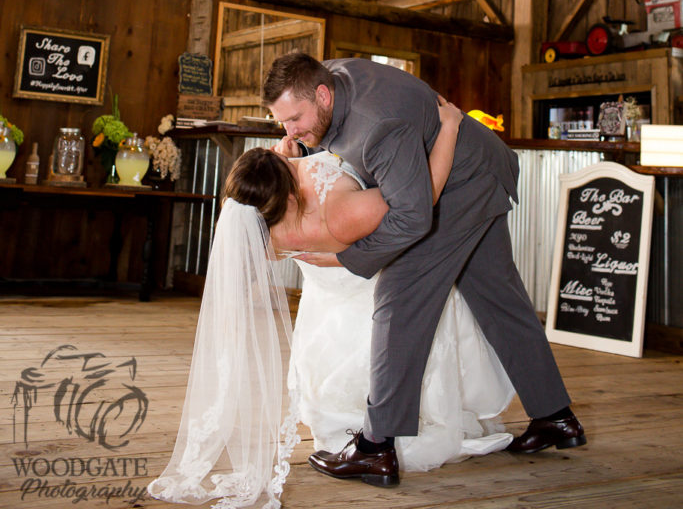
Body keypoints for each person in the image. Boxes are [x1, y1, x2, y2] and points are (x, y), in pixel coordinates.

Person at [147, 103, 512, 508]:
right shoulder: (338, 211)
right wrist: (448, 127)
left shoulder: (258, 229)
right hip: (372, 302)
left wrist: (296, 158)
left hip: (336, 315)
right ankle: (380, 438)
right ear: (286, 194)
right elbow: (420, 203)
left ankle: (368, 433)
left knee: (344, 398)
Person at [263, 53, 586, 488]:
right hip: (479, 172)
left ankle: (376, 449)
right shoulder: (331, 78)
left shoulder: (375, 126)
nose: (290, 131)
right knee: (498, 298)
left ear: (322, 94)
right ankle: (555, 417)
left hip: (458, 188)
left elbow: (413, 218)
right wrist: (302, 141)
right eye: (282, 122)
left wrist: (347, 257)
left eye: (295, 118)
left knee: (398, 303)